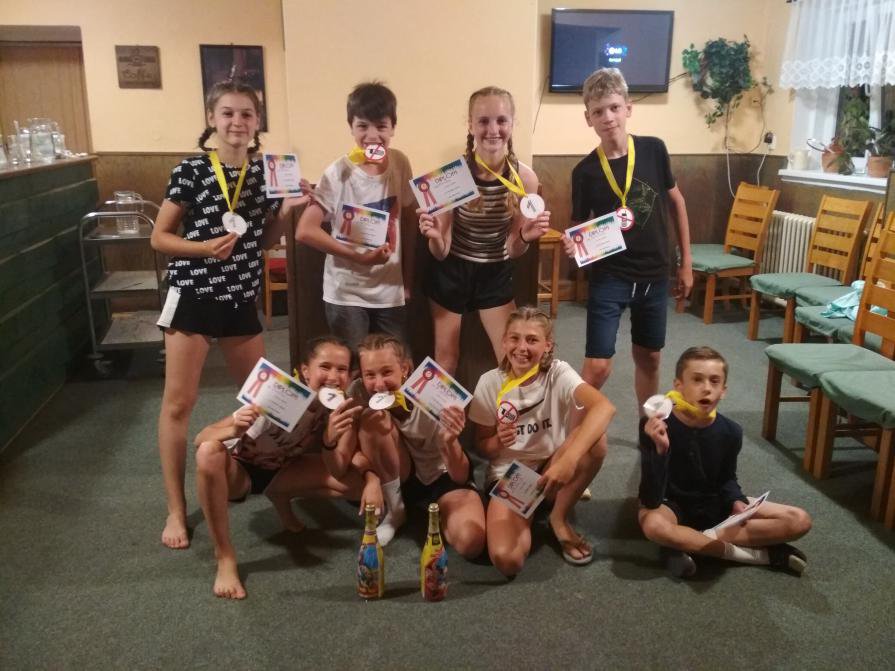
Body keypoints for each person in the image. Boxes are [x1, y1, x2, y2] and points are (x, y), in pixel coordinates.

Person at [151, 79, 309, 549]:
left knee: (261, 402)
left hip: (240, 298)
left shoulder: (267, 173)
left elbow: (264, 240)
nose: (237, 122)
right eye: (227, 113)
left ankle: (263, 486)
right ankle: (176, 509)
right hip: (193, 295)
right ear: (211, 119)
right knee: (179, 404)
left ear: (257, 122)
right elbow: (159, 238)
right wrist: (204, 248)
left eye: (246, 114)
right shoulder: (192, 170)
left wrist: (288, 209)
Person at [193, 336, 381, 599]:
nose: (333, 376)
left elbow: (343, 464)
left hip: (284, 470)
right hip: (240, 472)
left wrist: (369, 477)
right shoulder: (279, 394)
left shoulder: (342, 408)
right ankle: (224, 556)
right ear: (306, 371)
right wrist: (234, 428)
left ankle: (279, 495)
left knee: (357, 487)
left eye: (341, 369)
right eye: (324, 367)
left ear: (350, 376)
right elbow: (201, 438)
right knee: (208, 452)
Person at [561, 67, 693, 412]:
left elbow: (677, 203)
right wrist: (572, 245)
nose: (608, 117)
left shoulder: (653, 150)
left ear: (628, 108)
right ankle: (572, 430)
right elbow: (577, 228)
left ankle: (647, 427)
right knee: (597, 366)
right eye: (598, 111)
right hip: (610, 276)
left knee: (649, 357)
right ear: (588, 118)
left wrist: (686, 264)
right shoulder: (585, 171)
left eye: (614, 107)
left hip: (654, 273)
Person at [638, 346, 812, 579]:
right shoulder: (656, 425)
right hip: (671, 505)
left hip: (713, 505)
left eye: (714, 381)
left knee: (799, 520)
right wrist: (661, 450)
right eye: (697, 379)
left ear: (723, 391)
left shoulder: (731, 431)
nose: (706, 388)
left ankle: (689, 543)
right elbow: (650, 498)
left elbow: (727, 479)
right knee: (653, 525)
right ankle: (760, 556)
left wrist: (736, 500)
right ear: (679, 385)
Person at [468, 307, 616, 577]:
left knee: (596, 440)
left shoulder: (558, 372)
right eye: (514, 338)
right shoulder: (489, 383)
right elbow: (482, 446)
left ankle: (558, 518)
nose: (521, 348)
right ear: (504, 341)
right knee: (507, 560)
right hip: (511, 476)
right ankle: (533, 510)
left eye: (532, 340)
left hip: (553, 469)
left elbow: (604, 407)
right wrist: (498, 442)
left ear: (547, 345)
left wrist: (568, 461)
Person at [418, 86, 551, 374]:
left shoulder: (525, 178)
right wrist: (435, 236)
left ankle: (505, 407)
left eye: (501, 120)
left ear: (512, 124)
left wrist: (525, 237)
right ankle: (443, 408)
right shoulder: (452, 175)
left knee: (510, 357)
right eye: (483, 121)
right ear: (470, 125)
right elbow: (440, 252)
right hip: (452, 270)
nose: (493, 130)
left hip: (494, 271)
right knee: (446, 358)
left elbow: (513, 249)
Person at [295, 81, 416, 349]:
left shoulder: (400, 163)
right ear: (351, 127)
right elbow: (305, 230)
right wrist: (359, 257)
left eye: (381, 126)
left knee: (396, 366)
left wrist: (407, 281)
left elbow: (408, 222)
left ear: (393, 128)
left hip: (390, 293)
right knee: (353, 367)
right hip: (346, 294)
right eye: (362, 126)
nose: (372, 135)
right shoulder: (338, 171)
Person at [351, 333, 486, 557]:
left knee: (471, 542)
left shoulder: (432, 394)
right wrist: (370, 477)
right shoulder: (357, 393)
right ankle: (396, 511)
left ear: (405, 368)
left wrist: (449, 441)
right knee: (372, 418)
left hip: (442, 474)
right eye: (370, 375)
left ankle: (436, 512)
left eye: (387, 372)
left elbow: (460, 475)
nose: (379, 384)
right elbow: (349, 451)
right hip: (401, 475)